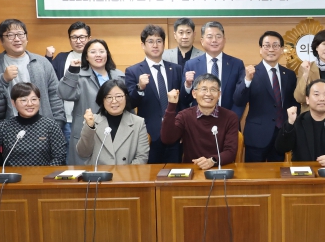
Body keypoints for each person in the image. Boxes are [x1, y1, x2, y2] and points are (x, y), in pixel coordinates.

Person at [233, 30, 298, 162]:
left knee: (279, 173)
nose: (271, 49)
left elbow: (293, 103)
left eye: (275, 45)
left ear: (281, 49)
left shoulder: (289, 75)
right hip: (257, 135)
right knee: (253, 173)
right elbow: (238, 100)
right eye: (267, 45)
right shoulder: (250, 72)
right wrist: (247, 80)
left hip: (281, 135)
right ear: (261, 49)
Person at [58, 38, 124, 165]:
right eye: (93, 52)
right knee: (85, 172)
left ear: (107, 54)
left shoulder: (119, 76)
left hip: (114, 130)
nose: (98, 55)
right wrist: (72, 72)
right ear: (86, 57)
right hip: (87, 132)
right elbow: (64, 94)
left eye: (101, 51)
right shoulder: (78, 76)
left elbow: (126, 104)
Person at [0, 19, 65, 128]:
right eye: (10, 35)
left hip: (42, 126)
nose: (17, 39)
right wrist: (3, 79)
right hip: (7, 128)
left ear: (27, 38)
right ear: (1, 40)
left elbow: (55, 94)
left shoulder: (42, 62)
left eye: (20, 34)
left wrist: (58, 123)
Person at [125, 25, 184, 163]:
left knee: (175, 173)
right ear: (143, 45)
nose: (155, 45)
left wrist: (183, 129)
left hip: (174, 133)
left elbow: (182, 103)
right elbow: (130, 104)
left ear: (164, 44)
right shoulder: (133, 71)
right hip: (148, 134)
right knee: (150, 173)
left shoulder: (176, 69)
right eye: (150, 41)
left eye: (159, 41)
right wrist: (140, 88)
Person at [0, 82, 66, 166]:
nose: (29, 104)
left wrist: (43, 174)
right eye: (23, 100)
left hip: (42, 176)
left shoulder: (50, 125)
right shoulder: (5, 126)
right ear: (13, 103)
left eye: (34, 99)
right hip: (13, 177)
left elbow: (60, 157)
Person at [161, 73, 239, 169]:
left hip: (219, 169)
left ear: (219, 94)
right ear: (194, 94)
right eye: (204, 89)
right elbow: (167, 139)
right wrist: (171, 105)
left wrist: (212, 161)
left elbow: (231, 152)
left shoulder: (230, 117)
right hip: (192, 169)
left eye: (213, 90)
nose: (208, 94)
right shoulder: (184, 116)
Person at [276, 79, 325, 165]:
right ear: (307, 99)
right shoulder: (297, 122)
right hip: (304, 171)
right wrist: (290, 123)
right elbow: (281, 148)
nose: (322, 99)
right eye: (316, 94)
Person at [77, 79, 149, 165]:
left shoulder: (138, 122)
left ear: (126, 97)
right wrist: (90, 127)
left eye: (118, 96)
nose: (114, 101)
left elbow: (142, 157)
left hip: (126, 172)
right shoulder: (93, 120)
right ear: (102, 100)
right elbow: (83, 153)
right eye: (109, 97)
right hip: (99, 172)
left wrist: (125, 172)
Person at [183, 21, 246, 119]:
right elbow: (184, 100)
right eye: (209, 36)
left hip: (228, 121)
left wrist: (232, 119)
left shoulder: (237, 64)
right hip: (199, 122)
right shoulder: (191, 65)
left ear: (224, 40)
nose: (214, 40)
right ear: (202, 41)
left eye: (218, 36)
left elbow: (240, 98)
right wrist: (188, 85)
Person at [45, 21, 91, 144]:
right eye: (74, 37)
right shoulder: (61, 58)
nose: (78, 41)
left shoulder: (96, 59)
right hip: (68, 119)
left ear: (89, 38)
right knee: (69, 154)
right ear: (69, 39)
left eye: (82, 37)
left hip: (91, 118)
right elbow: (48, 78)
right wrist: (48, 58)